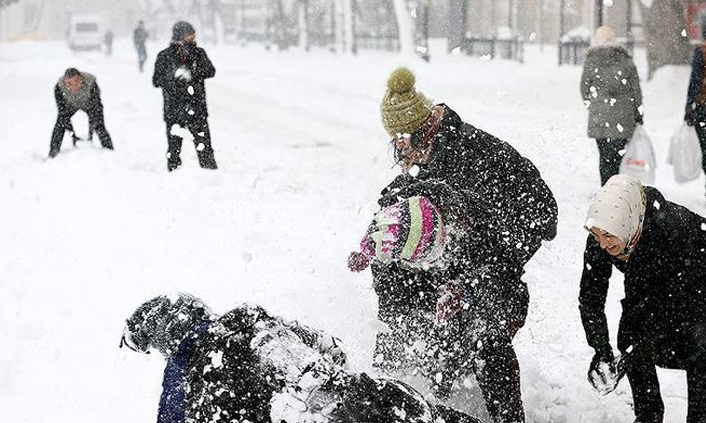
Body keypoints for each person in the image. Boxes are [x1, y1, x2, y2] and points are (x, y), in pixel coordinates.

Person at [356, 67, 558, 423]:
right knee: (408, 311)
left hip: (505, 247)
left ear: (422, 132)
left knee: (484, 334)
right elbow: (401, 206)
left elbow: (535, 221)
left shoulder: (470, 159)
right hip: (463, 249)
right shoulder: (432, 157)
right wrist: (376, 241)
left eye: (402, 142)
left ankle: (507, 416)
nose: (400, 152)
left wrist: (465, 286)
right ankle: (405, 394)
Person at [120, 294, 481, 423]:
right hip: (340, 393)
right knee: (393, 406)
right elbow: (326, 344)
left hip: (309, 403)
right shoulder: (246, 317)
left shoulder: (188, 383)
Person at [579, 174, 706, 423]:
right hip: (659, 284)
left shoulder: (671, 230)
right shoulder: (604, 231)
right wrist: (601, 349)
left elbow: (666, 303)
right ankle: (648, 415)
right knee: (630, 336)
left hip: (695, 283)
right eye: (596, 235)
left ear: (627, 224)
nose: (603, 244)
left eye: (607, 235)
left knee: (698, 345)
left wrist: (643, 342)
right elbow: (590, 297)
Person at [580, 26, 644, 186]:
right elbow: (636, 90)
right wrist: (638, 112)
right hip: (623, 115)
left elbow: (584, 88)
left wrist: (593, 105)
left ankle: (605, 188)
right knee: (617, 157)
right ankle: (616, 188)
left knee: (604, 156)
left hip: (600, 116)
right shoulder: (626, 60)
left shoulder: (591, 60)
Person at [153, 21, 218, 172]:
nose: (193, 36)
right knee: (174, 150)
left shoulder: (199, 53)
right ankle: (174, 178)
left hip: (197, 109)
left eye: (193, 33)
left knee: (204, 148)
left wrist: (192, 74)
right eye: (190, 33)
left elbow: (210, 71)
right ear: (180, 35)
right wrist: (173, 77)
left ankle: (211, 177)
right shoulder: (164, 56)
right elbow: (156, 80)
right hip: (174, 110)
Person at [49, 67, 114, 158]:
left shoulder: (91, 83)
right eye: (69, 83)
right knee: (60, 124)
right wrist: (73, 135)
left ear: (81, 79)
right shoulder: (59, 88)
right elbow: (62, 113)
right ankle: (53, 153)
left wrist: (91, 132)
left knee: (99, 125)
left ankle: (109, 151)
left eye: (76, 82)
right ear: (64, 82)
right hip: (70, 105)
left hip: (89, 103)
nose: (73, 86)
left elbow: (97, 108)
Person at [684, 23, 706, 195]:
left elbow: (695, 81)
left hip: (703, 107)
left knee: (705, 149)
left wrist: (689, 106)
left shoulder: (702, 52)